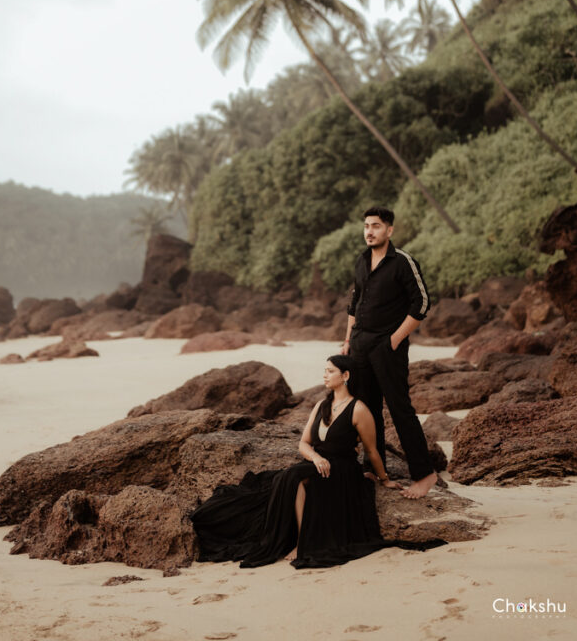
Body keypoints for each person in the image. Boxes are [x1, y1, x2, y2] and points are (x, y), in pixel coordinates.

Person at [191, 355, 445, 568]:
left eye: (330, 371)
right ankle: (292, 538)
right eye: (324, 370)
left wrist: (383, 479)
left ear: (345, 376)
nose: (325, 375)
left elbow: (372, 450)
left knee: (294, 478)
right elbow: (303, 443)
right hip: (319, 463)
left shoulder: (359, 409)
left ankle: (304, 543)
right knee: (279, 480)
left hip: (344, 470)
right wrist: (315, 456)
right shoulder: (320, 406)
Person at [342, 206, 438, 499]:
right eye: (367, 226)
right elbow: (354, 304)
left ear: (389, 230)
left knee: (400, 410)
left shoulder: (403, 262)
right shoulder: (361, 260)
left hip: (387, 348)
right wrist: (347, 342)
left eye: (376, 226)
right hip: (359, 346)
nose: (369, 231)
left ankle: (424, 474)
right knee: (366, 411)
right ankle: (374, 467)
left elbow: (421, 304)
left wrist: (394, 340)